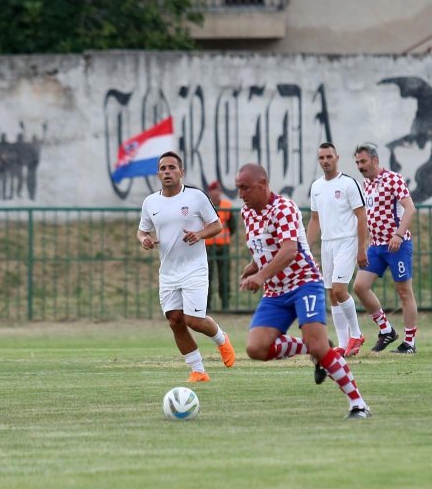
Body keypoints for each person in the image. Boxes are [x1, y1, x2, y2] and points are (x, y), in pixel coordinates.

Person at [235, 163, 371, 419]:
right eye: (238, 188)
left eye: (245, 188)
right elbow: (266, 246)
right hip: (275, 291)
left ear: (263, 184)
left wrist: (260, 276)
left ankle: (359, 404)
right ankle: (315, 347)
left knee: (319, 346)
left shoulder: (283, 208)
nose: (241, 194)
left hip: (303, 283)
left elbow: (289, 250)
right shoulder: (247, 213)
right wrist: (254, 265)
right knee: (256, 348)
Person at [137, 151, 236, 383]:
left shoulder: (196, 197)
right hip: (168, 271)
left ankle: (221, 339)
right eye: (163, 168)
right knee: (175, 321)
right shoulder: (150, 202)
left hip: (194, 268)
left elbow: (217, 225)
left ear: (181, 172)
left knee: (193, 319)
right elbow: (142, 230)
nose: (167, 172)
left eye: (172, 167)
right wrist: (144, 240)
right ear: (158, 174)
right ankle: (198, 371)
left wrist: (199, 234)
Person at [352, 142, 420, 353]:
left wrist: (398, 235)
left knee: (404, 292)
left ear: (375, 160)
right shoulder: (365, 185)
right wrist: (362, 245)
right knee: (359, 287)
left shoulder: (393, 179)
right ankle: (386, 329)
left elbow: (410, 208)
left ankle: (409, 342)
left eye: (363, 161)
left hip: (397, 245)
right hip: (376, 246)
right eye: (357, 162)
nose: (360, 166)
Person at [306, 142, 369, 357]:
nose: (325, 161)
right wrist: (306, 249)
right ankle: (343, 345)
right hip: (328, 243)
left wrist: (362, 248)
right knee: (332, 294)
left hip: (347, 241)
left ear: (337, 157)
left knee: (340, 290)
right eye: (321, 157)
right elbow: (315, 220)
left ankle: (357, 334)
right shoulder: (316, 187)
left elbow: (361, 216)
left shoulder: (349, 184)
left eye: (329, 157)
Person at [205, 180, 237, 311]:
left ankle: (225, 304)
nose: (216, 193)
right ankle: (207, 305)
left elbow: (232, 226)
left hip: (223, 246)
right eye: (214, 190)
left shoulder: (226, 206)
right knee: (207, 276)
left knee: (224, 276)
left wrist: (225, 237)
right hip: (208, 246)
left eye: (218, 190)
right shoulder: (205, 206)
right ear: (209, 192)